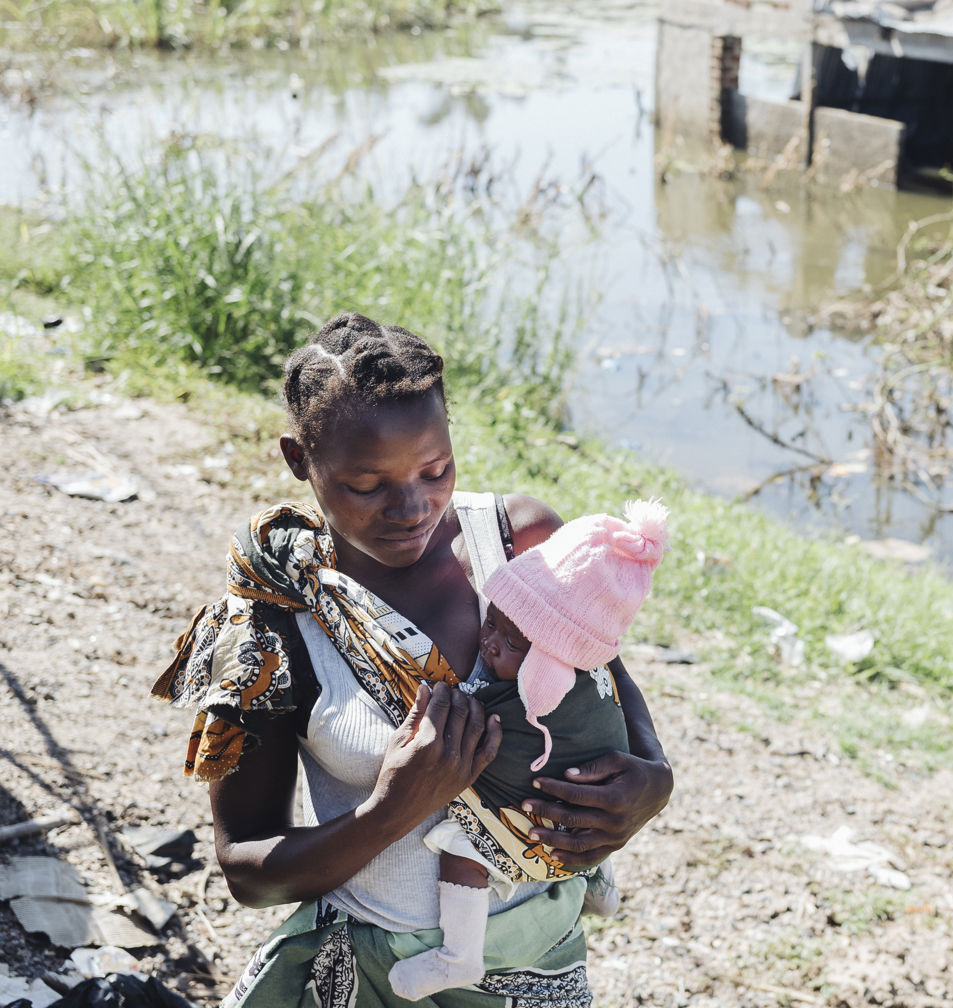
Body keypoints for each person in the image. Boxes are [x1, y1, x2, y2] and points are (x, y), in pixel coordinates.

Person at [152, 312, 673, 1007]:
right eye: (366, 485)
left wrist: (652, 779)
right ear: (298, 459)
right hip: (376, 978)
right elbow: (248, 870)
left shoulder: (518, 544)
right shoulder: (273, 621)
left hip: (540, 962)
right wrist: (393, 809)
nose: (410, 507)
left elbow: (604, 675)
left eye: (436, 470)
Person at [389, 499, 669, 999]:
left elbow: (468, 724)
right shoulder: (596, 677)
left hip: (535, 825)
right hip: (574, 817)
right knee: (591, 794)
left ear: (549, 665)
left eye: (513, 645)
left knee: (462, 848)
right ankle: (598, 883)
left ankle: (459, 956)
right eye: (491, 623)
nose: (490, 644)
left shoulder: (528, 702)